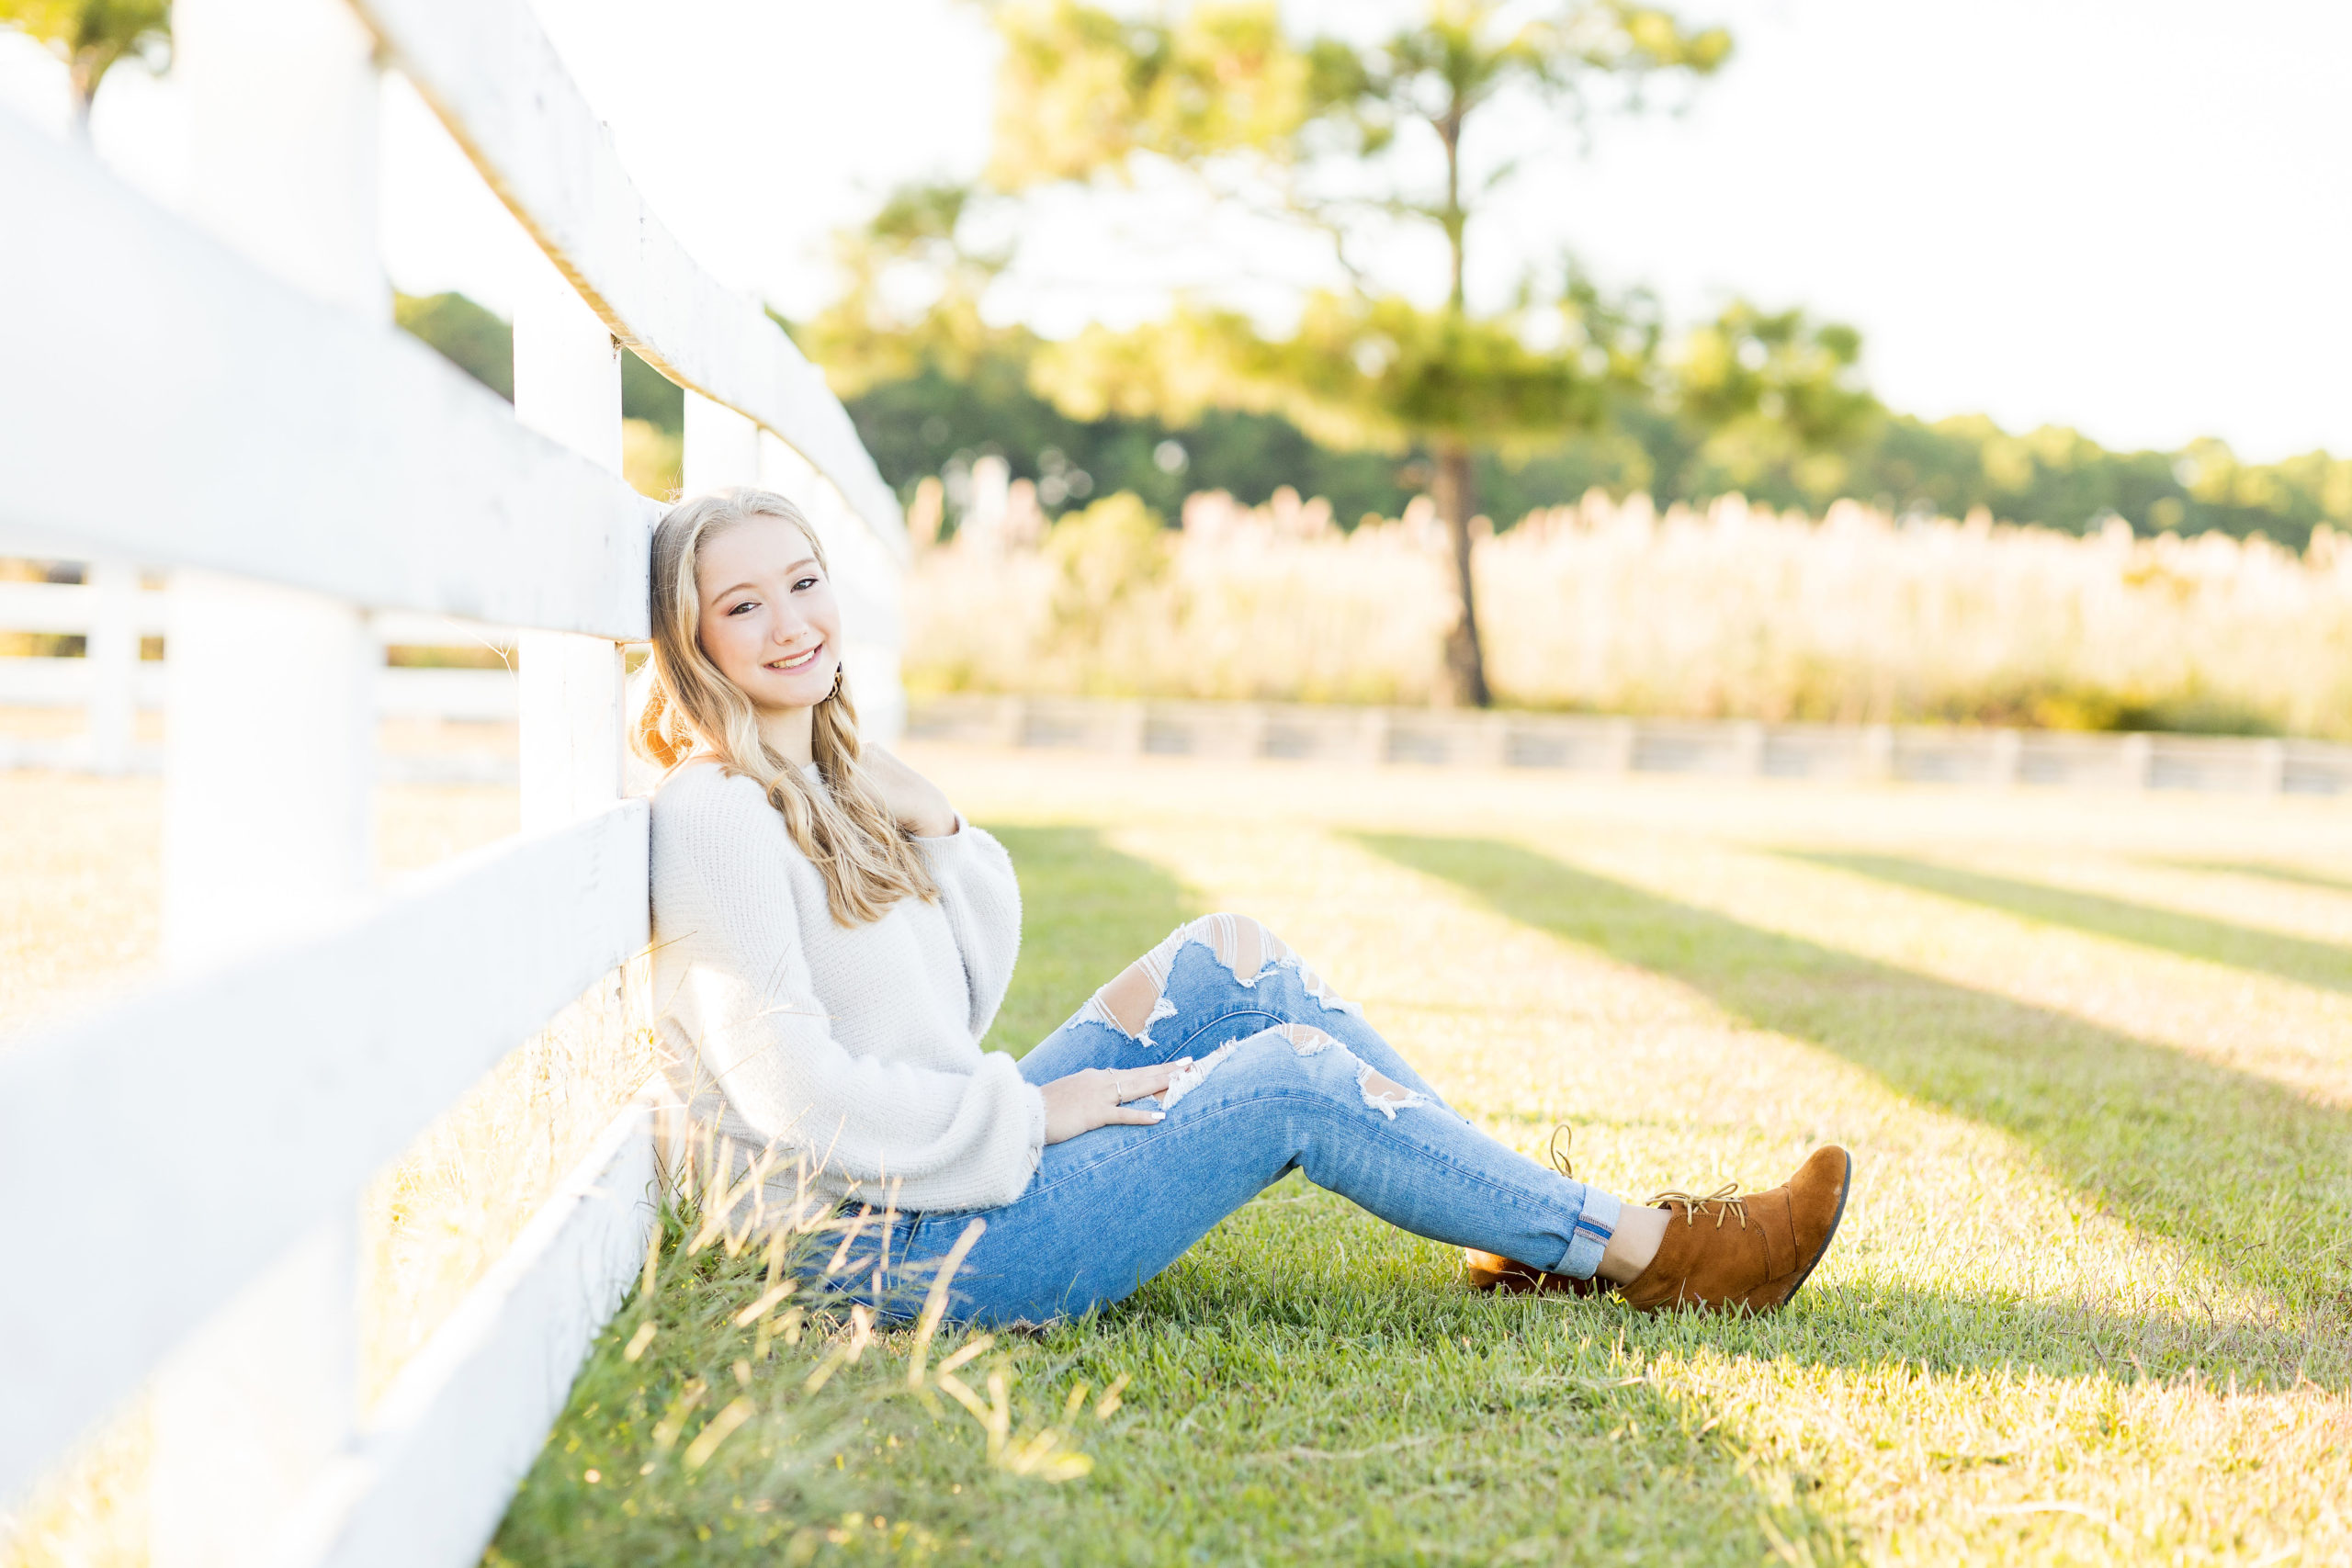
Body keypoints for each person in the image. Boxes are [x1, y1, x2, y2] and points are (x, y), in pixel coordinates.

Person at [639, 487, 1850, 1325]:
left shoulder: (821, 785)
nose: (792, 621)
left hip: (942, 1177)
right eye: (744, 605)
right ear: (691, 641)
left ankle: (1522, 1230)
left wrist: (937, 823)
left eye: (802, 582)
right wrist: (1033, 1111)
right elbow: (797, 1101)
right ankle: (1658, 1254)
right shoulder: (719, 818)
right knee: (1290, 1077)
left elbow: (960, 997)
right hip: (902, 1249)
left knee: (1232, 959)